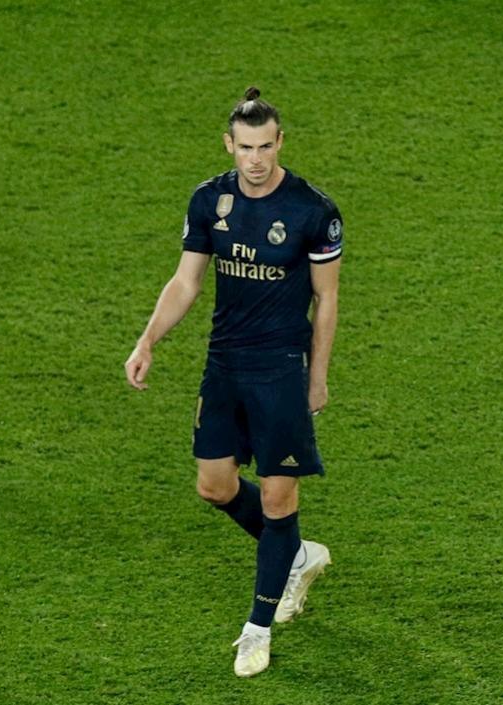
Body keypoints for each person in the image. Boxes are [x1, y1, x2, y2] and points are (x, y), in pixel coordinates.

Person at [123, 87, 343, 675]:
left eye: (266, 146)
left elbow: (326, 300)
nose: (256, 159)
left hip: (279, 370)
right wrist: (148, 341)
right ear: (230, 144)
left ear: (280, 143)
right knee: (215, 487)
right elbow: (186, 282)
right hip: (224, 364)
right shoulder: (209, 199)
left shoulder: (312, 211)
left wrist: (316, 377)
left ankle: (257, 628)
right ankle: (297, 557)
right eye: (245, 147)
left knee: (277, 495)